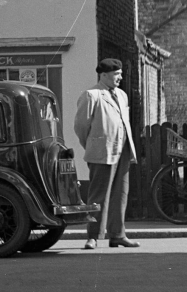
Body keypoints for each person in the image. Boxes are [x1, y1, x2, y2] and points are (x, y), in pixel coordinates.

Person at [74, 58, 140, 250]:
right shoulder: (91, 95)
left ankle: (118, 235)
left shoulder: (122, 95)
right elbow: (81, 126)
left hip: (123, 150)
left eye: (120, 74)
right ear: (103, 75)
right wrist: (92, 144)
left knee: (121, 193)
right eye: (115, 74)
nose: (119, 78)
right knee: (98, 195)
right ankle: (93, 236)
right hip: (102, 152)